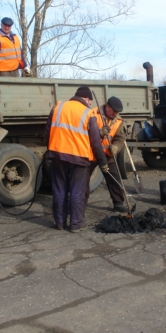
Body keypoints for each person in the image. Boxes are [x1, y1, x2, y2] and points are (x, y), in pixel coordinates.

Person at [45, 86, 108, 232]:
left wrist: (50, 152)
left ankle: (59, 223)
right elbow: (95, 142)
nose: (90, 105)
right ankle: (75, 224)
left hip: (57, 155)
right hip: (79, 158)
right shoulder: (88, 113)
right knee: (76, 191)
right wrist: (103, 162)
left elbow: (48, 132)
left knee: (59, 190)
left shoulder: (58, 107)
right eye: (89, 102)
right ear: (86, 98)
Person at [93, 96, 128, 212]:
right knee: (82, 180)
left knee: (114, 177)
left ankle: (118, 203)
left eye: (117, 112)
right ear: (107, 107)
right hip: (91, 153)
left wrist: (116, 147)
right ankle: (77, 207)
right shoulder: (93, 114)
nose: (116, 114)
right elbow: (83, 134)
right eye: (114, 111)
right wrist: (98, 133)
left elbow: (120, 138)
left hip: (107, 154)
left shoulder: (118, 120)